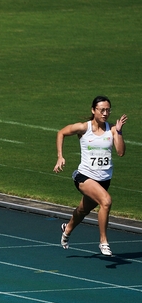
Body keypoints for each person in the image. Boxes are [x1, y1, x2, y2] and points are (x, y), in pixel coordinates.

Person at [53, 96, 127, 256]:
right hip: (84, 177)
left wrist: (119, 132)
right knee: (106, 201)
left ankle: (67, 230)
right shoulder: (83, 128)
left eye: (108, 110)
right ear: (93, 110)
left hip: (104, 180)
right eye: (102, 110)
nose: (105, 113)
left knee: (82, 210)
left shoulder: (112, 129)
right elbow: (61, 133)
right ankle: (103, 241)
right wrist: (60, 156)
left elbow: (120, 152)